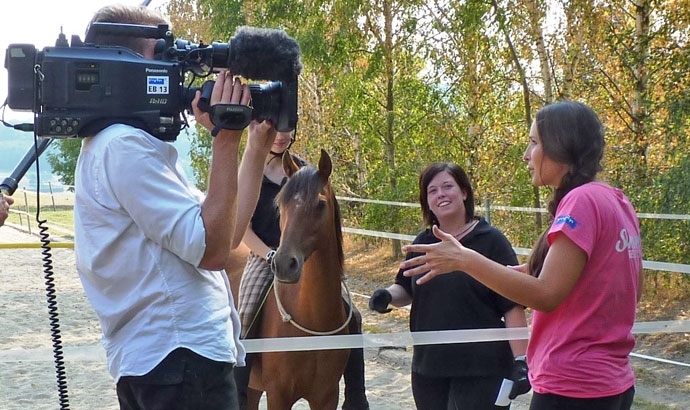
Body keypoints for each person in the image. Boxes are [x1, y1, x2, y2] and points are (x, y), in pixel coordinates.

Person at [73, 5, 276, 410]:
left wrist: (253, 147)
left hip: (170, 359)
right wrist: (224, 139)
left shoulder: (129, 146)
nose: (174, 70)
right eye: (162, 54)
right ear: (129, 65)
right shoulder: (124, 147)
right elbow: (214, 252)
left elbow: (228, 233)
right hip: (178, 359)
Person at [400, 101, 643, 410]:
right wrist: (474, 273)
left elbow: (546, 294)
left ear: (560, 145)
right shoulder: (615, 199)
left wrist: (465, 259)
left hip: (573, 385)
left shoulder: (580, 201)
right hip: (612, 382)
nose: (527, 155)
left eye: (534, 143)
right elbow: (623, 287)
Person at [369, 162, 530, 410]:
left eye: (447, 186)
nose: (440, 194)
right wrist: (387, 297)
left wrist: (522, 359)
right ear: (427, 202)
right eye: (432, 191)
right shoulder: (423, 243)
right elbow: (406, 288)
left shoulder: (492, 241)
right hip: (428, 368)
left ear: (464, 192)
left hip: (482, 369)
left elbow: (512, 304)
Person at [234, 130, 370, 410]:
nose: (280, 136)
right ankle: (236, 392)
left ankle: (356, 397)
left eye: (286, 130)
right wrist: (270, 254)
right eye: (274, 130)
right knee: (245, 313)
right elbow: (243, 230)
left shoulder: (304, 172)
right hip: (265, 257)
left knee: (352, 315)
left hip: (303, 256)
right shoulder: (250, 173)